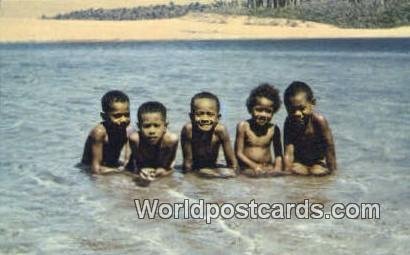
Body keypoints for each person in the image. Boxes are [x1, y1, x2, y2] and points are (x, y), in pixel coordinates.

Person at [283, 81, 337, 176]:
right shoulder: (289, 123)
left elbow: (329, 147)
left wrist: (333, 173)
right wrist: (287, 173)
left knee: (318, 172)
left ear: (312, 103)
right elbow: (288, 151)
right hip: (299, 161)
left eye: (302, 108)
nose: (297, 113)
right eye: (292, 110)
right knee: (297, 170)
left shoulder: (319, 121)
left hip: (317, 161)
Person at [181, 92, 238, 178]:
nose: (205, 119)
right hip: (196, 169)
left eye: (210, 114)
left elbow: (232, 163)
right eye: (200, 114)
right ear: (191, 117)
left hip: (213, 168)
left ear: (218, 118)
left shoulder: (221, 131)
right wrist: (190, 179)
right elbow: (188, 164)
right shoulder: (189, 130)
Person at [235, 83, 285, 177]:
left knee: (288, 176)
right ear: (250, 109)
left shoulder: (274, 129)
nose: (263, 115)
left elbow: (278, 155)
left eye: (268, 111)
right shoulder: (243, 126)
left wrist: (277, 169)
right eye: (259, 110)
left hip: (267, 167)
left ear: (274, 111)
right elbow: (239, 153)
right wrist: (254, 166)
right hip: (248, 167)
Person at [127, 101, 178, 182]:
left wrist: (161, 171)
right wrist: (141, 171)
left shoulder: (170, 140)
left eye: (157, 125)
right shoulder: (135, 139)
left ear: (165, 126)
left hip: (162, 167)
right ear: (139, 126)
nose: (152, 131)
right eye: (146, 126)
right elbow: (136, 164)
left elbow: (170, 166)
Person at [81, 90, 131, 174]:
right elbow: (95, 169)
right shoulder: (99, 133)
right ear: (104, 116)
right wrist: (121, 171)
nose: (123, 119)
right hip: (88, 169)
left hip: (110, 167)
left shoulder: (128, 131)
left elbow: (127, 162)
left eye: (127, 115)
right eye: (117, 116)